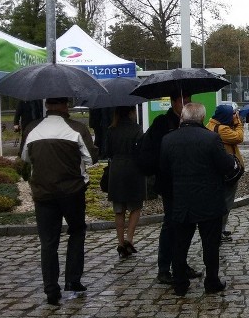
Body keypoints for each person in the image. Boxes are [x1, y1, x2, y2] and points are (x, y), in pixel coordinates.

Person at [20, 97, 97, 306]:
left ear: (46, 106)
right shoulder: (77, 128)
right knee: (77, 232)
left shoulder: (31, 128)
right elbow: (92, 158)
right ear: (66, 105)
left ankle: (50, 289)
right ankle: (73, 281)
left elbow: (25, 158)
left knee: (48, 242)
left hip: (43, 193)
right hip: (72, 192)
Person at [160, 102, 235, 296]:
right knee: (210, 245)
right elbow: (226, 166)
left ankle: (180, 283)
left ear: (182, 118)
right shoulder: (211, 139)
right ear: (202, 118)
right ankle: (212, 281)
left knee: (180, 244)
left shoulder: (168, 140)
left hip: (181, 201)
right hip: (209, 202)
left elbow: (163, 173)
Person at [137, 92, 203, 285]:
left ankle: (180, 264)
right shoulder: (162, 123)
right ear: (174, 102)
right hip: (170, 184)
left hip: (189, 182)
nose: (186, 103)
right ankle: (164, 268)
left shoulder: (192, 123)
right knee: (171, 225)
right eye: (183, 100)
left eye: (189, 100)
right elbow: (155, 154)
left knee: (188, 225)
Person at [104, 106, 145, 258]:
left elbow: (107, 151)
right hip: (133, 169)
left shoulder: (111, 129)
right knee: (135, 206)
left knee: (119, 208)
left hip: (116, 170)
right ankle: (129, 239)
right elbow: (141, 150)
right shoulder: (136, 129)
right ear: (130, 112)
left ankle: (120, 242)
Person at [206, 104, 244, 242]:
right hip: (227, 171)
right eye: (232, 114)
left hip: (219, 170)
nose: (234, 116)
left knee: (220, 200)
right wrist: (238, 123)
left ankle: (219, 229)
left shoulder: (211, 124)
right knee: (226, 202)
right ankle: (219, 230)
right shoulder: (222, 129)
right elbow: (239, 137)